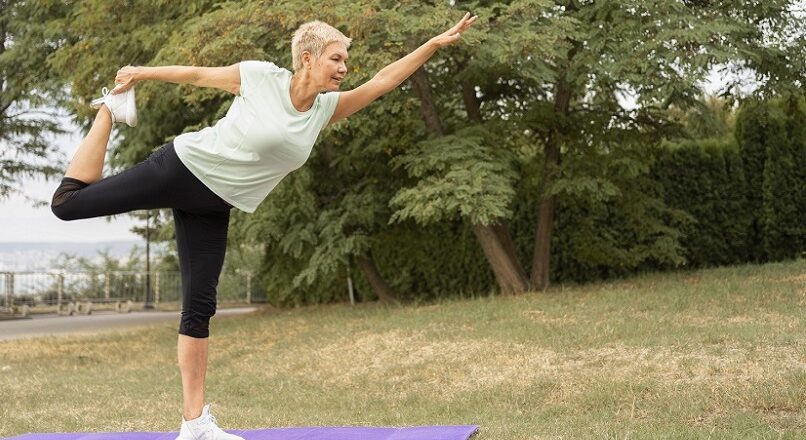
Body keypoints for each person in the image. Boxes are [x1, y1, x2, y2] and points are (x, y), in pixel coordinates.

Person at [51, 12, 477, 440]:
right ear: (307, 58)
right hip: (181, 167)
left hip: (215, 205)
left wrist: (433, 44)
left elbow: (383, 81)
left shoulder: (325, 109)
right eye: (336, 58)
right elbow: (197, 74)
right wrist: (142, 74)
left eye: (345, 59)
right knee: (68, 206)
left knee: (199, 309)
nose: (344, 68)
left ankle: (194, 424)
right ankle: (108, 109)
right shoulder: (260, 78)